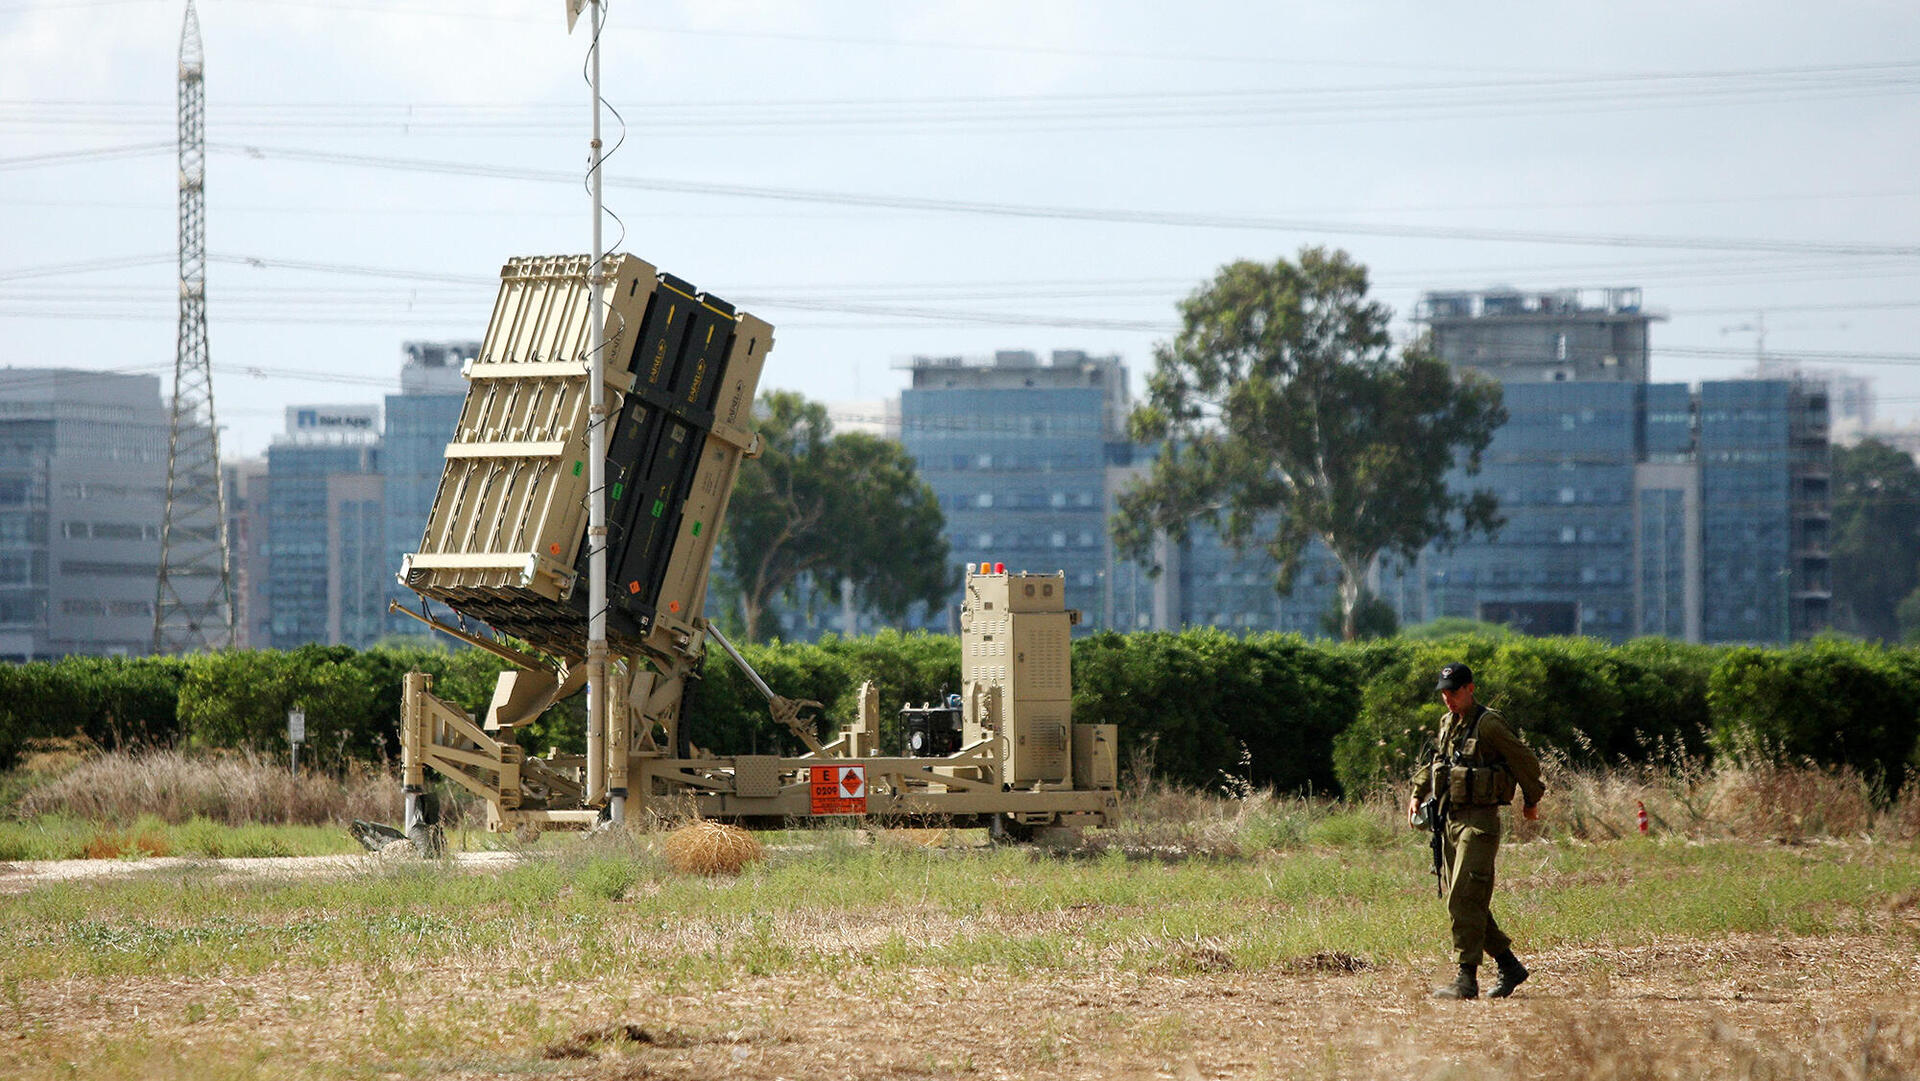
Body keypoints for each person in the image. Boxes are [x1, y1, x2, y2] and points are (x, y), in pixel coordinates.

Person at [1407, 662, 1544, 1000]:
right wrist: (1417, 791)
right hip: (1449, 820)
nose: (1448, 699)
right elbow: (1438, 761)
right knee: (1470, 899)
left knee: (1463, 897)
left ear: (1470, 688)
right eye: (1443, 693)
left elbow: (1524, 760)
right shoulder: (1447, 723)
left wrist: (1530, 800)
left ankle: (1466, 978)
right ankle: (1509, 965)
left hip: (1479, 822)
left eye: (1453, 692)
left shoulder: (1489, 724)